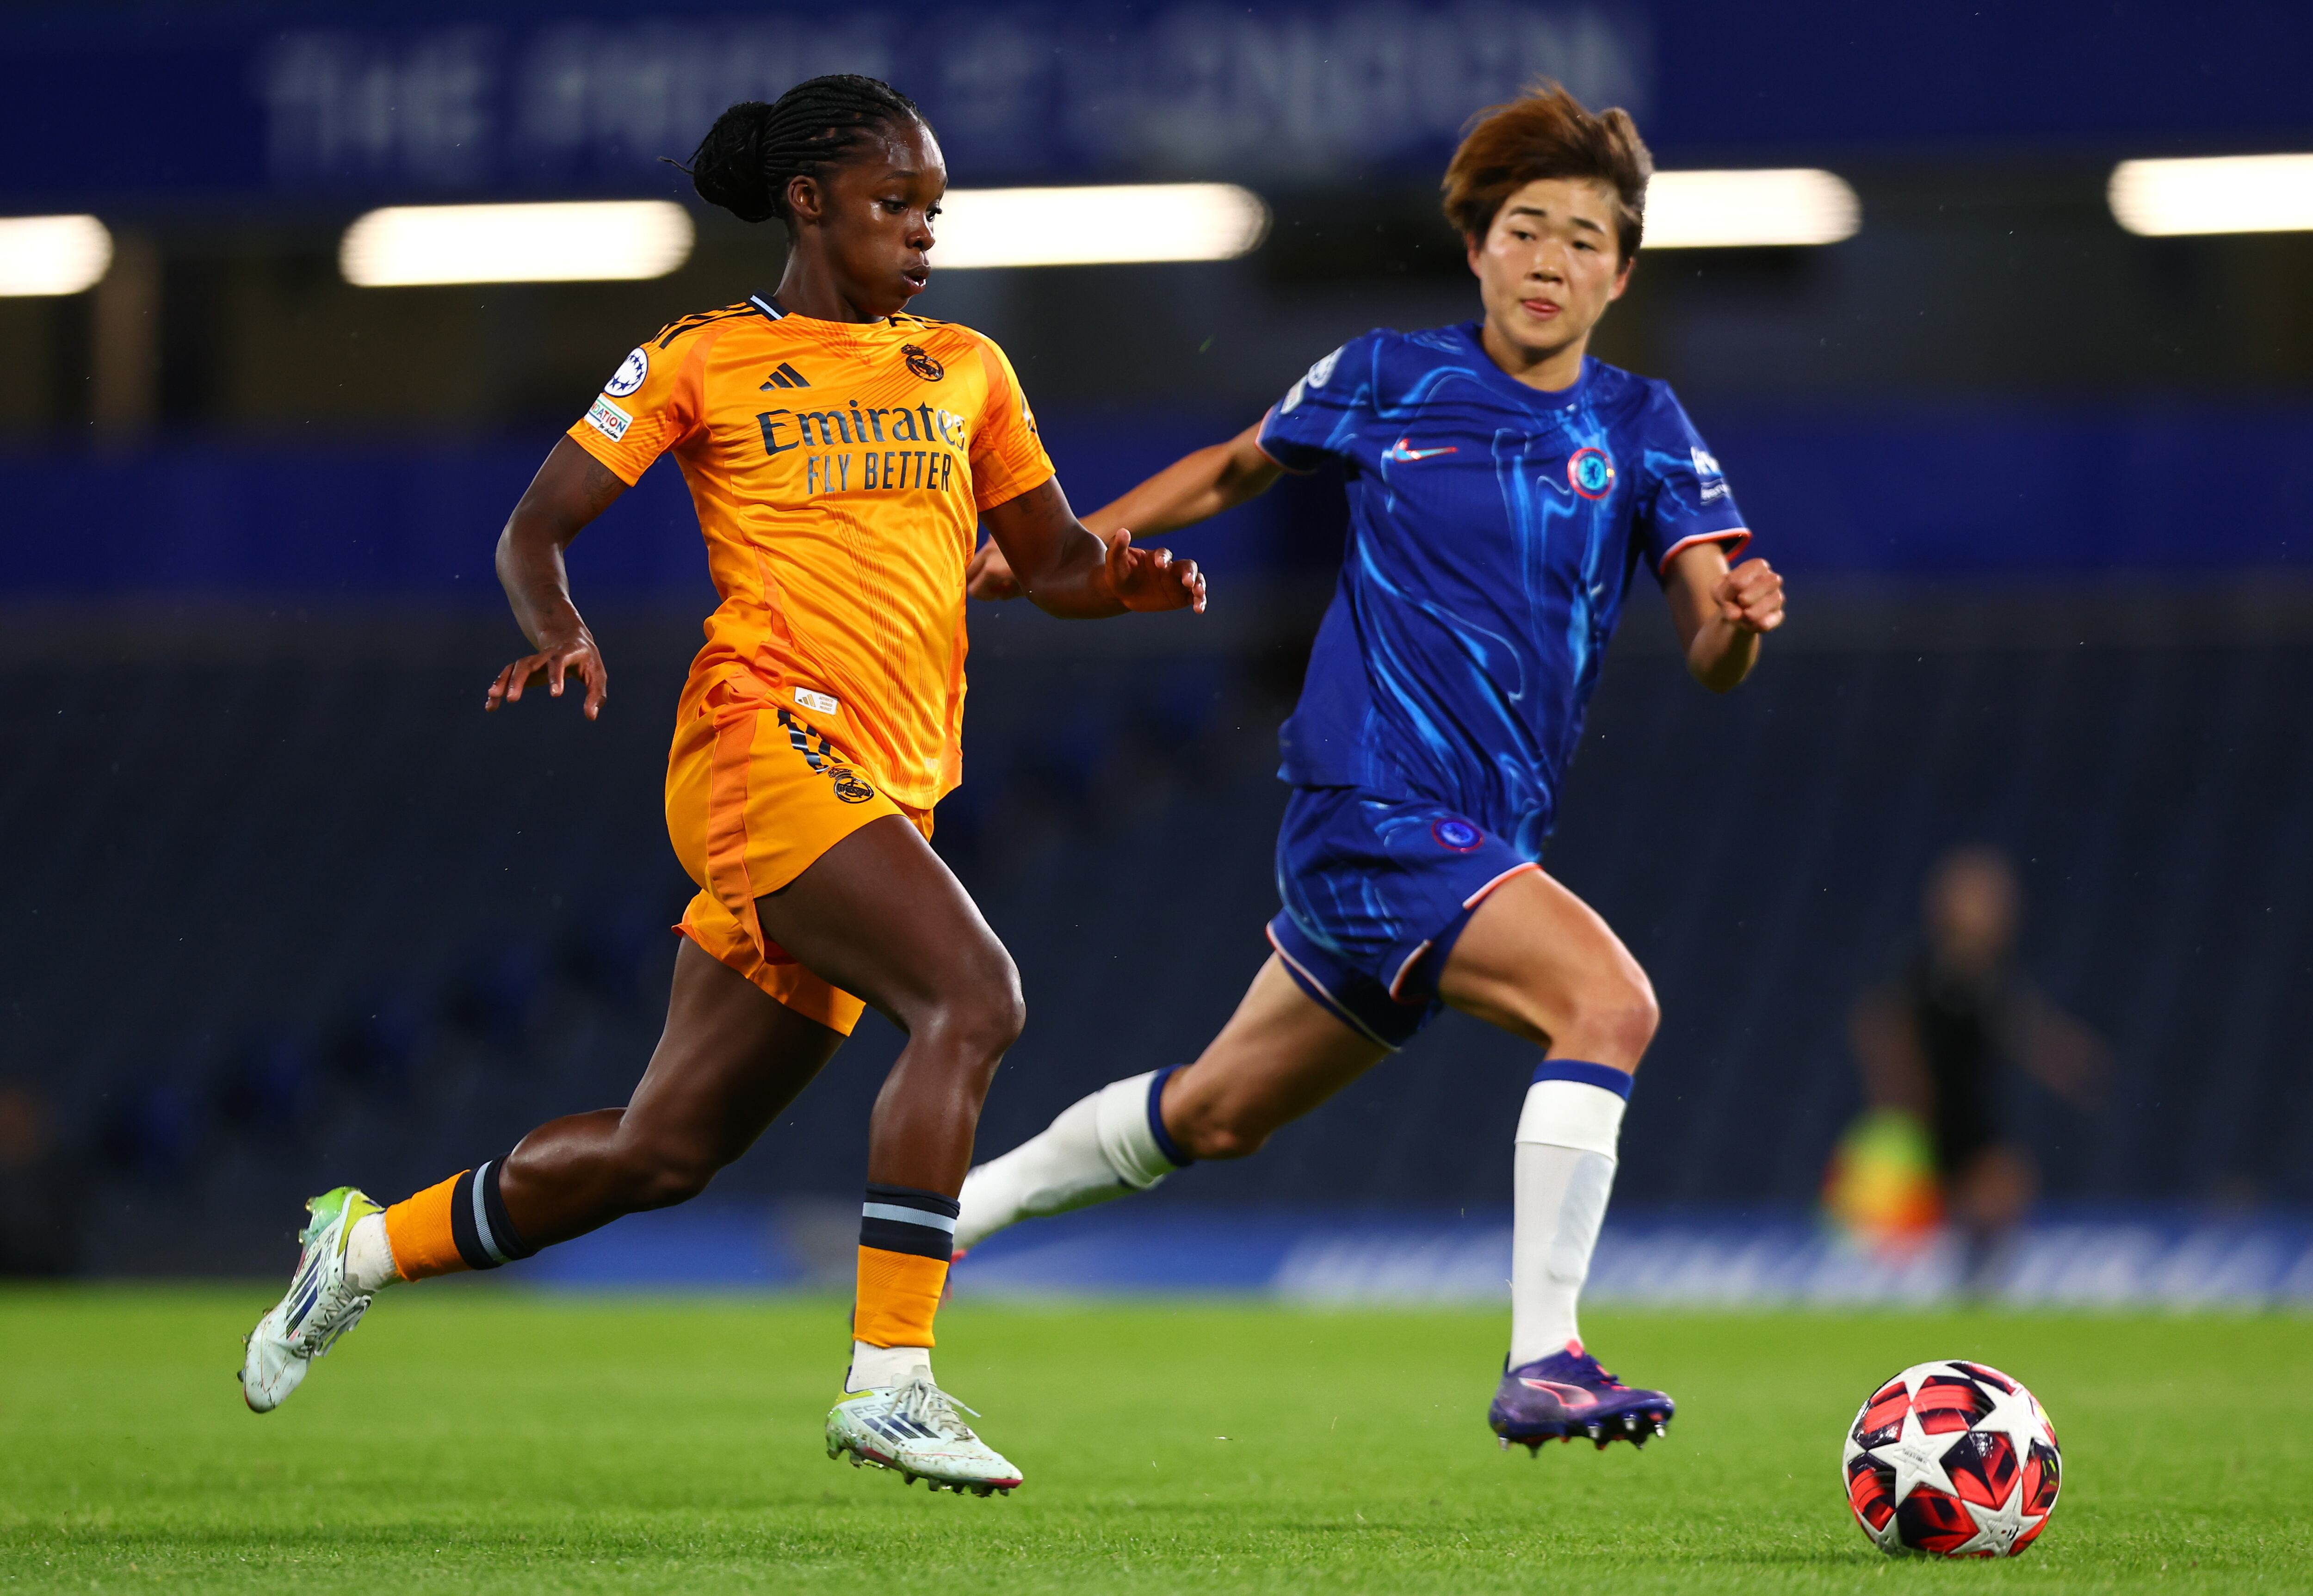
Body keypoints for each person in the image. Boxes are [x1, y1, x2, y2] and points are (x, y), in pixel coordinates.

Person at [237, 75, 1205, 1497]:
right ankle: (893, 1381)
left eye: (935, 209)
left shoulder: (968, 368)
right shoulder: (701, 356)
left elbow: (1049, 562)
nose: (922, 233)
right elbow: (537, 526)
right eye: (894, 205)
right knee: (973, 996)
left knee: (660, 1149)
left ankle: (362, 1246)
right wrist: (558, 628)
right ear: (808, 202)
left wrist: (1117, 581)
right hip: (761, 743)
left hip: (886, 779)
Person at [956, 82, 1784, 1454]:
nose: (1547, 259)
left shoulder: (1644, 424)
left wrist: (1740, 626)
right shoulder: (1388, 375)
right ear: (1477, 247)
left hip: (1469, 834)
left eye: (1582, 239)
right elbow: (1233, 470)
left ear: (1618, 272)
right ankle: (1547, 1358)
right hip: (1372, 806)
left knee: (1214, 1114)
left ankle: (940, 1216)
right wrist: (1064, 553)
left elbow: (1708, 641)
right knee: (1608, 1004)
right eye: (1525, 229)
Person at [1847, 846, 2104, 1276]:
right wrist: (1897, 1099)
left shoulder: (1995, 978)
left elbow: (2024, 1029)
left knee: (2004, 1189)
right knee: (1917, 1224)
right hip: (1923, 1123)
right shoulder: (1922, 971)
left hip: (1973, 1121)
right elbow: (1879, 1026)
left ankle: (1976, 1289)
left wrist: (2067, 1061)